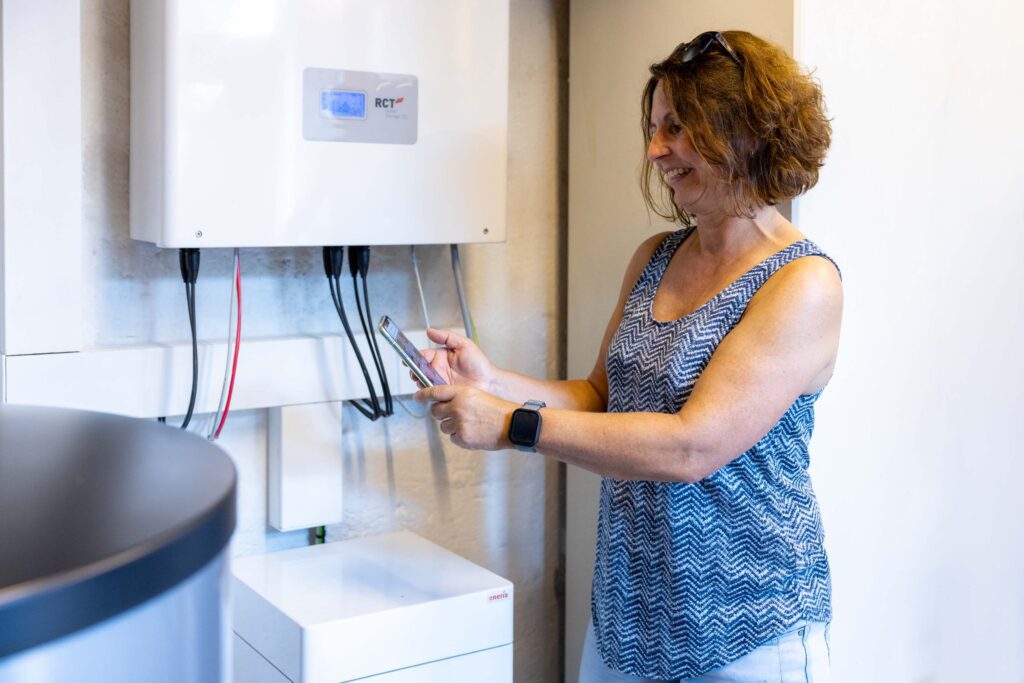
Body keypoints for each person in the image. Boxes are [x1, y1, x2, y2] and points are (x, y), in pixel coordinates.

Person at [415, 30, 841, 682]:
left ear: (743, 129)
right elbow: (600, 395)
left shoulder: (802, 283)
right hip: (628, 623)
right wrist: (492, 379)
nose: (655, 150)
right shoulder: (657, 257)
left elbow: (690, 447)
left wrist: (509, 425)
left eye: (677, 127)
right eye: (653, 127)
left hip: (746, 633)